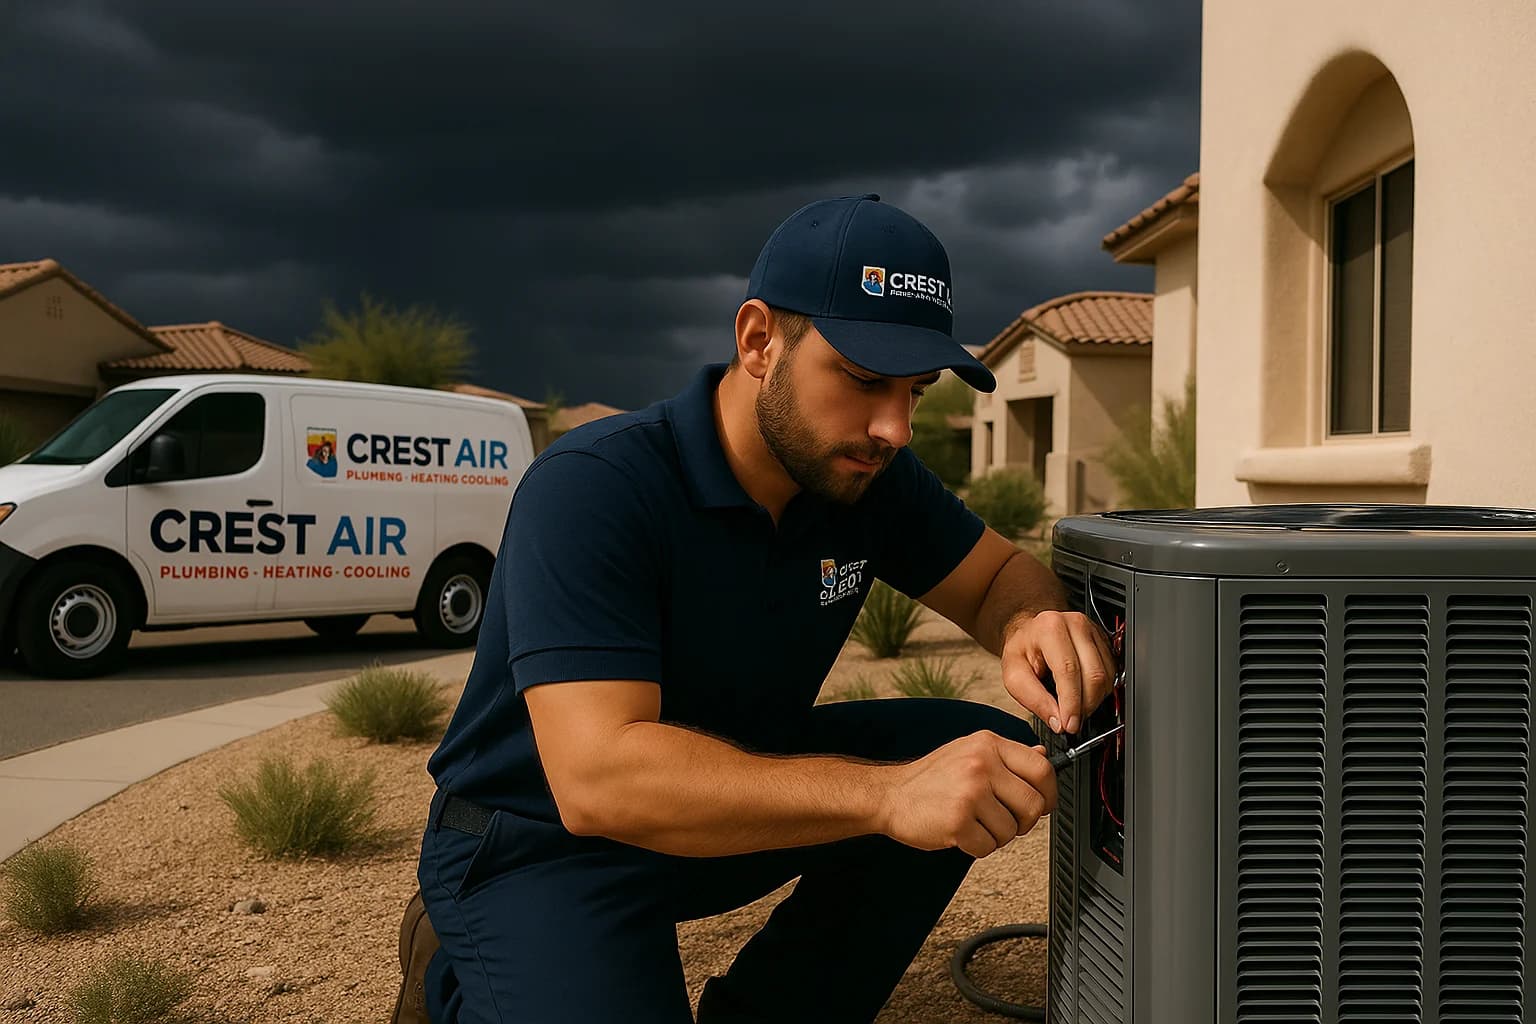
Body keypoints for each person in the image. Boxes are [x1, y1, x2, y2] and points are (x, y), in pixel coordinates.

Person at [399, 194, 1117, 1024]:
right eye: (863, 379)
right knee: (909, 781)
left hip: (721, 809)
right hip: (540, 843)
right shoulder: (594, 486)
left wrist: (1032, 620)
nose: (896, 427)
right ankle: (457, 976)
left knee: (959, 750)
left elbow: (1000, 578)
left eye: (917, 390)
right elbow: (599, 779)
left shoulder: (866, 477)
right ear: (758, 341)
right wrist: (888, 797)